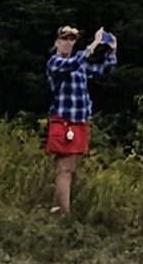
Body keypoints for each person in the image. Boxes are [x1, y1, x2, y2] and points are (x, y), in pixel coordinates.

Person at [44, 22, 118, 216]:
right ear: (57, 42)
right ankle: (63, 214)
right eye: (64, 39)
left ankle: (57, 208)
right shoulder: (55, 62)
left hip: (80, 121)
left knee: (70, 168)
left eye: (72, 40)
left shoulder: (80, 62)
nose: (68, 43)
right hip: (64, 121)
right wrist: (93, 44)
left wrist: (112, 51)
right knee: (65, 169)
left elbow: (103, 71)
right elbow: (72, 64)